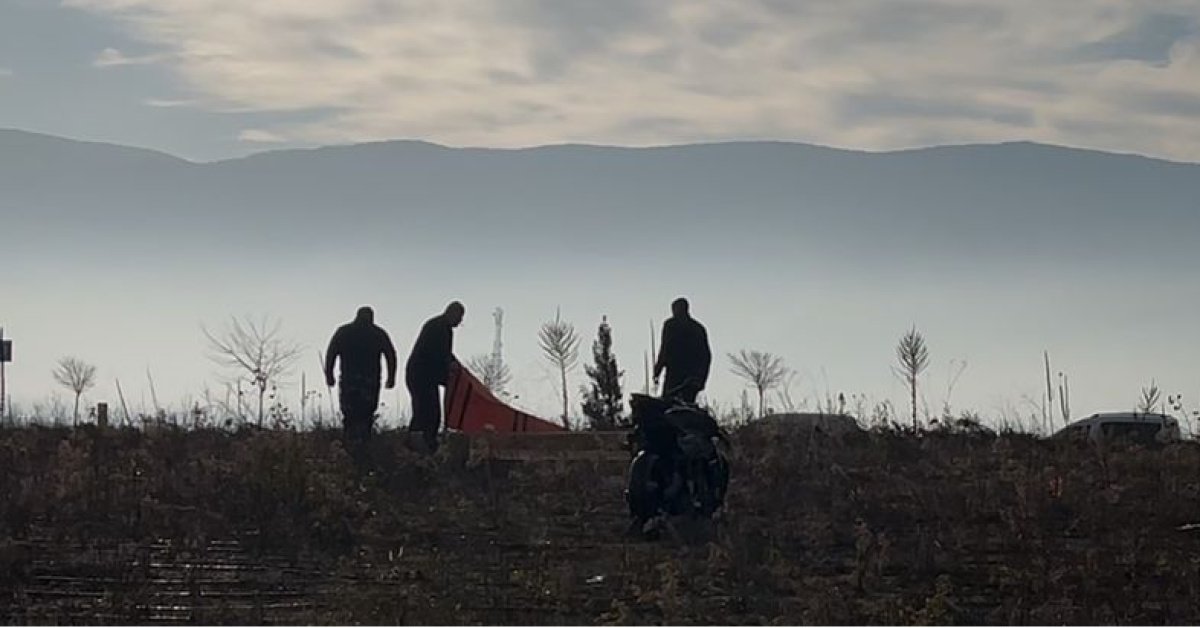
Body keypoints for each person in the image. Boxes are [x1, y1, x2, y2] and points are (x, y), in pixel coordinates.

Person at [324, 306, 398, 452]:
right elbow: (390, 355)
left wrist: (329, 375)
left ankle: (354, 445)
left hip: (352, 381)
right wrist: (391, 378)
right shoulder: (377, 333)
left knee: (354, 414)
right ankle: (360, 445)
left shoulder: (344, 332)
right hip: (366, 382)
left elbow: (331, 354)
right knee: (363, 415)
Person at [406, 301, 465, 451]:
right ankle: (420, 446)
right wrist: (449, 372)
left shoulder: (438, 326)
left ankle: (419, 444)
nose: (460, 322)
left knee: (426, 412)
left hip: (422, 375)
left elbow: (444, 354)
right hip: (421, 376)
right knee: (427, 413)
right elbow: (438, 355)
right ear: (452, 313)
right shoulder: (440, 327)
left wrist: (454, 366)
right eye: (459, 317)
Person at [653, 297, 712, 404]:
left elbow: (665, 349)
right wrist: (701, 379)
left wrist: (657, 370)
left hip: (677, 375)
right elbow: (706, 357)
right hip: (692, 377)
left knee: (669, 406)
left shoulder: (671, 325)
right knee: (686, 406)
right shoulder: (698, 328)